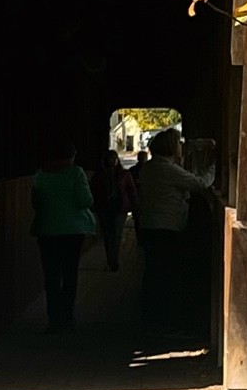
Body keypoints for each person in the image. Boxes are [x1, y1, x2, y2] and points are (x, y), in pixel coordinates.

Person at [137, 129, 213, 335]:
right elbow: (199, 184)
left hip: (149, 225)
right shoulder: (167, 169)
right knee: (167, 275)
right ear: (171, 147)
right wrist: (213, 168)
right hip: (167, 227)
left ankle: (150, 319)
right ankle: (164, 321)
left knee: (152, 273)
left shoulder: (149, 168)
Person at [29, 142, 96, 332]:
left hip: (46, 229)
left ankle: (54, 318)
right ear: (71, 156)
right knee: (69, 274)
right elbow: (85, 200)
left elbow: (36, 204)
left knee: (51, 276)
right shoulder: (76, 173)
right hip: (73, 230)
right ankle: (67, 317)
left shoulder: (40, 176)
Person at [91, 147, 136, 272]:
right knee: (107, 235)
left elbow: (131, 191)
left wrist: (134, 205)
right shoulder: (99, 175)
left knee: (115, 234)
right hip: (105, 208)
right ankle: (111, 259)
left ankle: (113, 260)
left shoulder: (123, 174)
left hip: (119, 208)